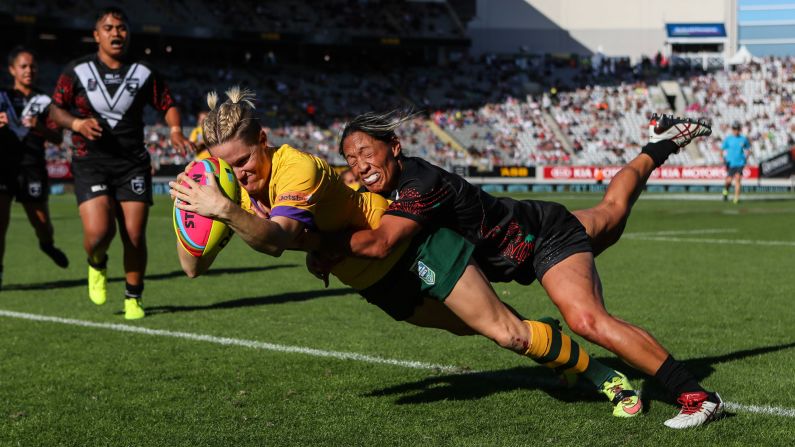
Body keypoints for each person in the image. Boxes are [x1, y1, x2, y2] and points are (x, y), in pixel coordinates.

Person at [170, 88, 643, 418]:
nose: (240, 173)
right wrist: (189, 210)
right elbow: (192, 266)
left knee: (507, 334)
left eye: (244, 160)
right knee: (472, 328)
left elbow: (273, 241)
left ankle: (606, 378)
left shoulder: (295, 169)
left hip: (412, 246)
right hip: (375, 280)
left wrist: (225, 210)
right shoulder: (229, 188)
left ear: (264, 140)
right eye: (226, 166)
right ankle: (555, 346)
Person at [315, 111, 723, 429]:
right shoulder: (383, 186)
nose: (360, 165)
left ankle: (697, 396)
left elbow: (383, 242)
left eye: (367, 153)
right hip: (529, 233)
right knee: (611, 213)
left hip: (543, 238)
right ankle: (660, 144)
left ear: (395, 147)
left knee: (586, 319)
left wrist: (321, 247)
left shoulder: (420, 184)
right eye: (351, 159)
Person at [49, 7, 193, 319]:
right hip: (91, 163)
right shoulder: (76, 71)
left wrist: (176, 130)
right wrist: (76, 125)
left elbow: (167, 103)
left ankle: (133, 298)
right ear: (96, 35)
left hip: (133, 164)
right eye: (109, 27)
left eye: (122, 28)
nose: (117, 33)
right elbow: (56, 109)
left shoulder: (143, 71)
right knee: (99, 234)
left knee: (134, 235)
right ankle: (96, 263)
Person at [0, 46, 69, 289]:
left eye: (33, 66)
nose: (29, 70)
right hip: (3, 167)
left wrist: (40, 128)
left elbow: (59, 138)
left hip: (32, 168)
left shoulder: (45, 101)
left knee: (41, 223)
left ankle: (46, 244)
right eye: (23, 66)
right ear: (12, 70)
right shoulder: (1, 97)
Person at [721, 122, 750, 204]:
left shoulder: (743, 139)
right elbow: (722, 149)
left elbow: (748, 149)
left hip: (740, 163)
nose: (736, 131)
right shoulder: (728, 139)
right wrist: (723, 159)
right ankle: (725, 191)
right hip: (730, 163)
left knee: (738, 179)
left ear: (739, 130)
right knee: (728, 181)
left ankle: (736, 198)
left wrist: (746, 158)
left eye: (737, 129)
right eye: (734, 129)